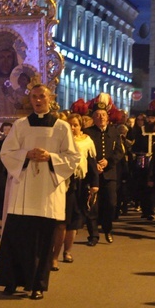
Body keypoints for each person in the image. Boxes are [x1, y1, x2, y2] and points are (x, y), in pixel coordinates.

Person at [0, 84, 80, 299]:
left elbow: (73, 157)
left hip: (47, 194)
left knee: (43, 242)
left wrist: (50, 157)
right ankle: (12, 281)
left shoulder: (62, 127)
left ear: (50, 98)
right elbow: (6, 152)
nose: (38, 100)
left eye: (42, 96)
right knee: (16, 237)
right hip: (22, 190)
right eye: (34, 97)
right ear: (30, 100)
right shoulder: (20, 125)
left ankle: (37, 285)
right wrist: (26, 154)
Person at [54, 113, 99, 268]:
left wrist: (95, 184)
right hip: (63, 183)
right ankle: (54, 256)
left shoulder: (87, 142)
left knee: (75, 221)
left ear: (81, 126)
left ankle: (67, 252)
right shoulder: (60, 140)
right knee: (61, 221)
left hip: (80, 184)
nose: (72, 128)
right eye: (70, 125)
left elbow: (92, 163)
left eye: (75, 125)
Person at [83, 95, 124, 244]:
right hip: (92, 174)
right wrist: (94, 166)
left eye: (103, 115)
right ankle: (93, 235)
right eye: (97, 115)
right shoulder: (87, 132)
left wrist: (108, 162)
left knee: (111, 204)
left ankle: (107, 229)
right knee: (92, 205)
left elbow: (119, 151)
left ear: (108, 117)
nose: (101, 118)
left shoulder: (114, 132)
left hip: (109, 174)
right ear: (93, 117)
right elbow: (84, 152)